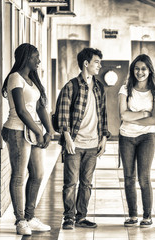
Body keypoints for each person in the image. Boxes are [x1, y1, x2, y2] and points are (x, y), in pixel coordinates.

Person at [1, 43, 54, 236]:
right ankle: (20, 220)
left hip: (32, 131)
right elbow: (21, 111)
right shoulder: (15, 78)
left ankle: (30, 217)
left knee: (38, 173)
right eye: (36, 57)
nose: (38, 60)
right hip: (16, 131)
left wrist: (49, 130)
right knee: (18, 176)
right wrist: (39, 132)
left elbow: (40, 107)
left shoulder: (31, 79)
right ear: (26, 58)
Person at [57, 47, 111, 230]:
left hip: (93, 144)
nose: (100, 66)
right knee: (71, 182)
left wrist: (103, 139)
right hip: (75, 143)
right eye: (97, 62)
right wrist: (67, 139)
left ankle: (81, 217)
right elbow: (62, 115)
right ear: (86, 64)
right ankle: (69, 218)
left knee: (86, 184)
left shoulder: (99, 87)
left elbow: (103, 115)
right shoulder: (71, 86)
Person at [118, 54, 155, 228]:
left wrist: (132, 117)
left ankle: (147, 216)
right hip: (126, 137)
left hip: (147, 137)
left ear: (150, 70)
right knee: (129, 177)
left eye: (144, 68)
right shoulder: (125, 89)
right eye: (137, 68)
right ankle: (132, 215)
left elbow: (154, 121)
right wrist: (143, 114)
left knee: (144, 177)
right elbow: (122, 115)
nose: (140, 72)